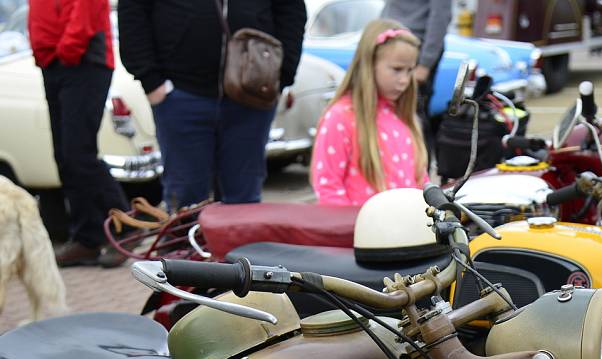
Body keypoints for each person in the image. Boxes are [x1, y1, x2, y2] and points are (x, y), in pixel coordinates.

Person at [118, 0, 306, 210]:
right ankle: (184, 244)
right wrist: (152, 82)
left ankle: (237, 244)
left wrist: (281, 76)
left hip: (252, 94)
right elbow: (133, 12)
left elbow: (291, 10)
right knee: (185, 202)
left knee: (243, 204)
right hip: (181, 94)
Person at [28, 0, 130, 268]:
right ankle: (88, 238)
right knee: (64, 155)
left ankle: (127, 227)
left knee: (78, 153)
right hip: (54, 61)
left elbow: (87, 9)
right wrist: (45, 51)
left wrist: (67, 48)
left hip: (83, 59)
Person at [310, 19, 428, 207]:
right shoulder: (341, 117)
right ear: (369, 64)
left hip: (407, 233)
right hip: (359, 233)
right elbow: (328, 188)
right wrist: (348, 229)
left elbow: (422, 182)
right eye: (397, 69)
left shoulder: (404, 117)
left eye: (409, 70)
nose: (405, 80)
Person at [382, 0, 451, 160]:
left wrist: (425, 64)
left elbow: (440, 16)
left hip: (416, 51)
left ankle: (420, 179)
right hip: (390, 45)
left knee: (414, 118)